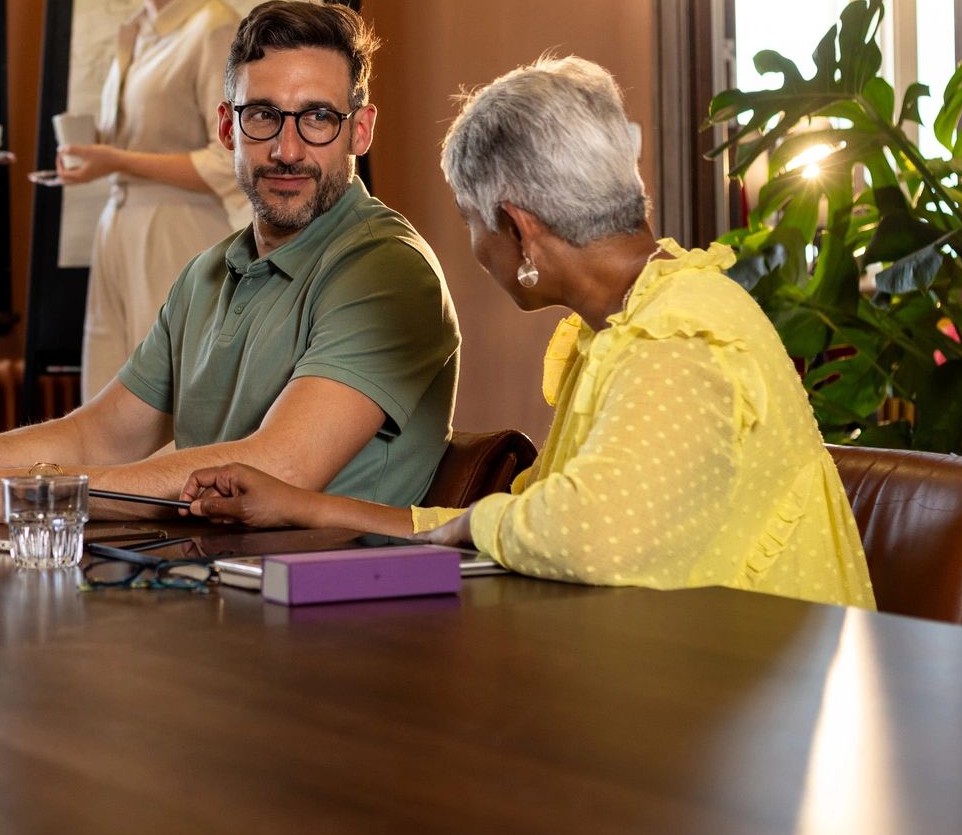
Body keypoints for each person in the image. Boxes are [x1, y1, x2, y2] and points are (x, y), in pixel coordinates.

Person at [184, 56, 877, 610]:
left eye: (470, 218)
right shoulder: (633, 317)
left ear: (518, 230)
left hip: (761, 719)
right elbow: (524, 523)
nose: (473, 246)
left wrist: (464, 525)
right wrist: (304, 507)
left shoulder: (679, 335)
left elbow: (582, 533)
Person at [0, 0, 460, 525]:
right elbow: (100, 434)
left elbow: (281, 466)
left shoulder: (388, 270)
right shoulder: (206, 274)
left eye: (318, 118)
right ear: (227, 127)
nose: (287, 149)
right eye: (263, 115)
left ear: (360, 130)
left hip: (338, 610)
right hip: (210, 587)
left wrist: (4, 492)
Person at [56, 0, 252, 399]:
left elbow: (228, 160)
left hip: (177, 232)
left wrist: (115, 160)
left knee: (169, 396)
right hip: (119, 227)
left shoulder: (213, 27)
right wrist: (99, 150)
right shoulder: (137, 31)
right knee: (106, 392)